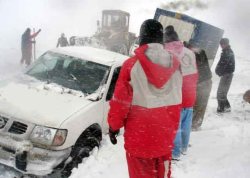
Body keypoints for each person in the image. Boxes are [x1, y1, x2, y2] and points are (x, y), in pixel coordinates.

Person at [107, 19, 183, 178]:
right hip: (165, 139)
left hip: (139, 141)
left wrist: (114, 127)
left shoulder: (131, 66)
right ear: (160, 39)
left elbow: (120, 103)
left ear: (142, 38)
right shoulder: (176, 67)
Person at [164, 26, 198, 160]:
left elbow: (166, 77)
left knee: (175, 126)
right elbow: (195, 73)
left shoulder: (168, 53)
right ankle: (184, 147)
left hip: (177, 95)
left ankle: (175, 153)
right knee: (186, 123)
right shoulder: (189, 52)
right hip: (190, 94)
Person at [186, 41, 212, 130]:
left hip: (201, 82)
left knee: (198, 105)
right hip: (205, 81)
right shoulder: (200, 51)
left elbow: (194, 68)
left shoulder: (193, 53)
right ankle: (194, 124)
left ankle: (194, 125)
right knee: (199, 105)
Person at [215, 38, 235, 113]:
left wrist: (219, 71)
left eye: (222, 44)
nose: (221, 46)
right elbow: (223, 63)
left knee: (220, 92)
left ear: (225, 44)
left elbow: (223, 63)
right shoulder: (227, 51)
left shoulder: (227, 52)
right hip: (226, 74)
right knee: (222, 92)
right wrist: (219, 71)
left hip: (227, 75)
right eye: (220, 44)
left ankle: (221, 109)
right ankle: (227, 107)